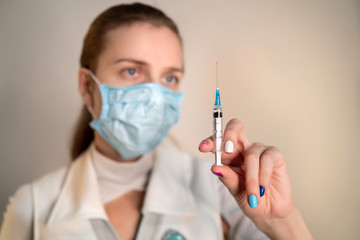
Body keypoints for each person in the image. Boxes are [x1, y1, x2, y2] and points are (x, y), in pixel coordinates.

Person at [0, 3, 313, 240]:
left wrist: (281, 223)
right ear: (87, 86)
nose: (154, 94)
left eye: (169, 77)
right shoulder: (34, 206)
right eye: (132, 71)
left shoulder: (223, 189)